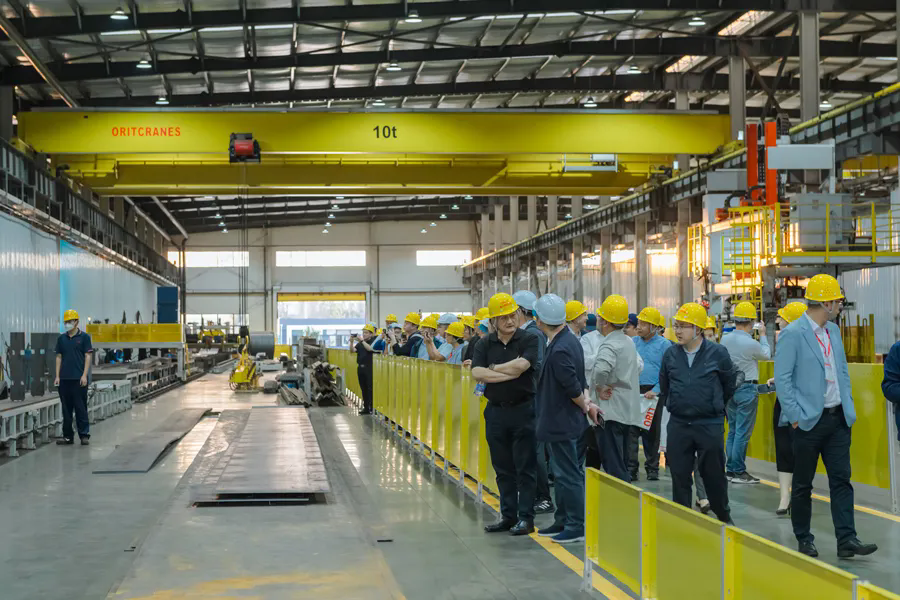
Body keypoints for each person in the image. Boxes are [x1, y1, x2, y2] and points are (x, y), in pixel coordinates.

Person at [775, 274, 877, 558]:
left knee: (841, 481)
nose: (840, 306)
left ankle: (847, 539)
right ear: (826, 303)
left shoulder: (832, 331)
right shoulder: (793, 334)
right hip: (808, 423)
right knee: (803, 484)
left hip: (838, 420)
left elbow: (841, 370)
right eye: (837, 301)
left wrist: (847, 405)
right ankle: (804, 538)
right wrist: (795, 417)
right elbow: (782, 380)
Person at [659, 302, 736, 524]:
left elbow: (729, 384)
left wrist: (713, 404)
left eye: (683, 326)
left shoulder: (718, 353)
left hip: (709, 424)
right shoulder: (670, 354)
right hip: (679, 424)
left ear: (698, 329)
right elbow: (665, 386)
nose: (678, 331)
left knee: (714, 476)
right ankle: (682, 521)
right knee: (679, 475)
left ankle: (723, 515)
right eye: (676, 325)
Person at [472, 292, 540, 536]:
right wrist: (507, 373)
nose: (510, 321)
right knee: (502, 468)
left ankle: (526, 518)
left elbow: (523, 366)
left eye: (513, 315)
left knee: (525, 467)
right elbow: (477, 373)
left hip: (524, 410)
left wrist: (492, 369)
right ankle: (508, 516)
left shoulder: (529, 339)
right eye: (504, 317)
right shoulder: (484, 344)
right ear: (493, 321)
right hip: (496, 412)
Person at [533, 294, 599, 544]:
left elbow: (572, 387)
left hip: (562, 421)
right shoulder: (568, 341)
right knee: (562, 474)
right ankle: (562, 519)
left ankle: (576, 525)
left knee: (568, 474)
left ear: (539, 320)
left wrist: (585, 405)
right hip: (562, 420)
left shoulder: (560, 348)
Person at [589, 295, 642, 482]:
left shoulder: (610, 344)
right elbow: (639, 366)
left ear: (605, 322)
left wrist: (600, 387)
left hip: (610, 412)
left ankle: (621, 494)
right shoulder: (628, 342)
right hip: (627, 411)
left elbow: (601, 370)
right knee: (622, 461)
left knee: (613, 464)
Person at [513, 289, 555, 515]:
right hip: (528, 397)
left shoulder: (533, 335)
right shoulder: (527, 334)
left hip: (533, 398)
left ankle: (544, 497)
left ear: (521, 311)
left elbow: (535, 367)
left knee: (535, 450)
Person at [720, 301, 770, 485]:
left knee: (733, 431)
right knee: (742, 432)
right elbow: (766, 355)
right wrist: (763, 335)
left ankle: (730, 470)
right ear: (751, 322)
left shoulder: (725, 339)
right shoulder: (751, 343)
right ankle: (738, 471)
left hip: (730, 389)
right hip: (747, 389)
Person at [770, 300, 808, 515]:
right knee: (783, 449)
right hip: (783, 403)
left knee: (800, 451)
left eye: (782, 318)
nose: (778, 321)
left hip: (802, 405)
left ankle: (798, 495)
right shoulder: (784, 340)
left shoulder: (809, 344)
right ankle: (785, 497)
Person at [632, 306, 671, 481]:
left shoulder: (664, 345)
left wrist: (656, 390)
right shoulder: (633, 342)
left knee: (652, 432)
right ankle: (631, 468)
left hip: (654, 393)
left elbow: (667, 372)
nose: (638, 326)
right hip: (634, 391)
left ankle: (652, 468)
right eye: (638, 323)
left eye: (643, 324)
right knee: (632, 431)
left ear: (654, 327)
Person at [55, 309, 93, 445]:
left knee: (80, 408)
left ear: (76, 322)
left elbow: (87, 356)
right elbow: (58, 357)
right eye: (65, 322)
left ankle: (84, 435)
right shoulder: (61, 339)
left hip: (78, 379)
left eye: (70, 321)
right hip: (64, 379)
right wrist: (57, 376)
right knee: (66, 410)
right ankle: (68, 436)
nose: (67, 324)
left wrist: (84, 375)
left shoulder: (84, 338)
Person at [350, 323, 376, 415]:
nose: (364, 334)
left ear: (371, 334)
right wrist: (351, 342)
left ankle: (372, 407)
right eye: (363, 332)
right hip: (361, 368)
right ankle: (366, 407)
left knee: (370, 388)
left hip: (369, 368)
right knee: (363, 388)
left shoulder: (373, 342)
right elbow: (352, 351)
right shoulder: (360, 344)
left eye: (366, 333)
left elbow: (370, 349)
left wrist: (361, 341)